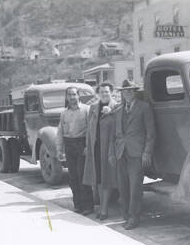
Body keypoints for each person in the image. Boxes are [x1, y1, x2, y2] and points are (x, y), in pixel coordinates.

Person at [109, 79, 156, 230]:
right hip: (120, 152)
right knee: (122, 187)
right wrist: (111, 153)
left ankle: (134, 217)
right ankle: (125, 216)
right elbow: (113, 135)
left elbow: (151, 133)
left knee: (135, 187)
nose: (127, 93)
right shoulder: (117, 110)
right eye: (124, 91)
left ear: (134, 92)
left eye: (130, 91)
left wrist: (147, 152)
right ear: (121, 93)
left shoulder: (144, 107)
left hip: (137, 153)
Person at [56, 87, 94, 215]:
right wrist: (59, 149)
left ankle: (88, 206)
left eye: (74, 94)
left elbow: (90, 130)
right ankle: (77, 205)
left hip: (82, 144)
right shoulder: (64, 113)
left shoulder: (86, 110)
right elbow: (60, 132)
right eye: (69, 95)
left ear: (78, 96)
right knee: (73, 178)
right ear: (67, 97)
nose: (72, 97)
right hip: (69, 145)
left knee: (83, 176)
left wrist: (88, 146)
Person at [83, 82, 118, 220]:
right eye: (102, 92)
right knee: (97, 177)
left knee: (107, 178)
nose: (104, 94)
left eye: (107, 92)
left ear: (111, 93)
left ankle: (104, 209)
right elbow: (89, 129)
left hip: (109, 148)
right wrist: (87, 146)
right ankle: (101, 207)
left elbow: (118, 129)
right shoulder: (93, 107)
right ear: (98, 94)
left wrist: (112, 113)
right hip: (95, 147)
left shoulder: (116, 107)